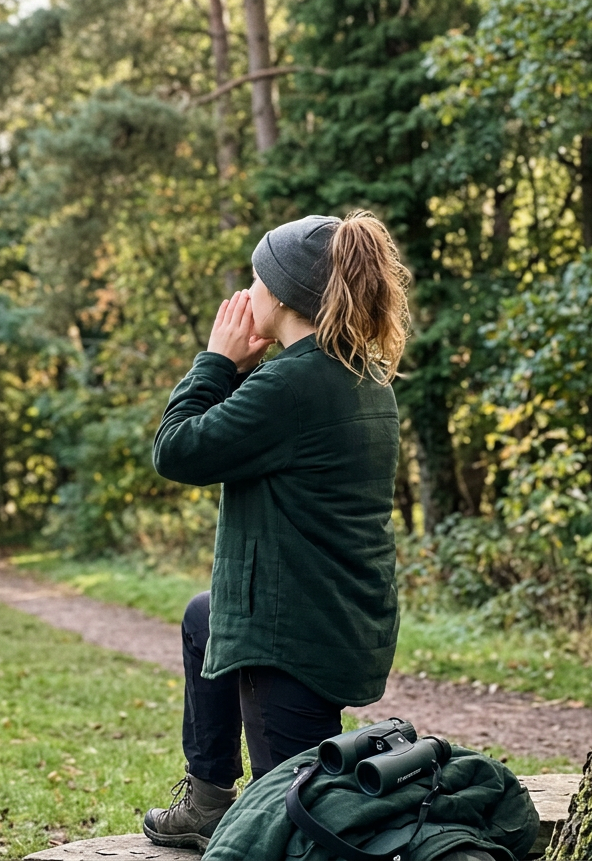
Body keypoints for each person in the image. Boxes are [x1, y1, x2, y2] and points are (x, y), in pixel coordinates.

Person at [142, 211, 411, 852]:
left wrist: (214, 361)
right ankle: (208, 800)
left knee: (292, 821)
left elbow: (176, 450)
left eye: (256, 280)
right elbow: (257, 435)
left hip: (290, 636)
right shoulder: (356, 373)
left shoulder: (292, 384)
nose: (245, 296)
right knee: (205, 615)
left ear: (284, 296)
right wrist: (239, 373)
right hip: (339, 618)